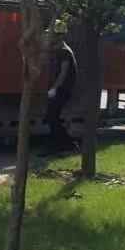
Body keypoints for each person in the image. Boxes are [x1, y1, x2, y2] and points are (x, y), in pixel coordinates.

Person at [44, 20, 78, 151]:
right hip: (60, 88)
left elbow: (63, 73)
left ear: (59, 35)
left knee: (52, 116)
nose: (49, 36)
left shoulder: (64, 51)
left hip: (63, 89)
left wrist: (54, 88)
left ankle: (64, 144)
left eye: (52, 34)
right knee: (52, 116)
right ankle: (65, 143)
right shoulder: (58, 49)